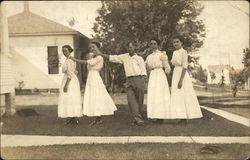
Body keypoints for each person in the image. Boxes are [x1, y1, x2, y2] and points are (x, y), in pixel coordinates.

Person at [70, 41, 117, 125]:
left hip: (95, 78)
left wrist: (75, 59)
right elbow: (89, 63)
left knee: (97, 96)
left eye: (93, 47)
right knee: (93, 97)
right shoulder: (93, 57)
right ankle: (97, 118)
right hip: (91, 77)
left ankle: (99, 118)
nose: (92, 49)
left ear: (98, 47)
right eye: (90, 47)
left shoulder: (99, 57)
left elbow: (87, 62)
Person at [101, 42, 147, 126]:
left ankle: (137, 118)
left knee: (139, 101)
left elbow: (144, 71)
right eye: (128, 47)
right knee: (131, 100)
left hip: (138, 79)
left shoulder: (139, 58)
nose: (129, 49)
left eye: (131, 47)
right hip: (129, 80)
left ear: (135, 48)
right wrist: (101, 54)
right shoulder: (125, 56)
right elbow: (113, 58)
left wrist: (142, 82)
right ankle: (138, 119)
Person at [170, 36, 203, 124]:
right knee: (177, 95)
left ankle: (184, 117)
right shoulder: (174, 52)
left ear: (181, 43)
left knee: (183, 94)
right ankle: (180, 116)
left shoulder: (184, 52)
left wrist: (180, 80)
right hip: (175, 73)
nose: (175, 43)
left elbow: (185, 66)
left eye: (177, 41)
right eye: (174, 42)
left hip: (182, 74)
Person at [145, 38, 171, 124]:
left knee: (159, 95)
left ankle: (161, 117)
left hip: (159, 74)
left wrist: (167, 73)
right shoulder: (149, 56)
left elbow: (167, 67)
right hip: (152, 75)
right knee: (153, 95)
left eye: (154, 43)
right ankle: (155, 115)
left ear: (158, 45)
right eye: (151, 43)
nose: (152, 45)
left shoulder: (161, 54)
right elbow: (145, 66)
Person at [58, 45, 82, 126]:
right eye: (63, 51)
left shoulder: (70, 60)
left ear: (69, 51)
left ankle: (74, 119)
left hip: (70, 81)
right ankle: (71, 118)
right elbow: (74, 70)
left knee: (71, 98)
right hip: (71, 79)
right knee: (68, 99)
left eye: (65, 51)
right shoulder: (69, 59)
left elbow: (70, 73)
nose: (64, 52)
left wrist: (66, 85)